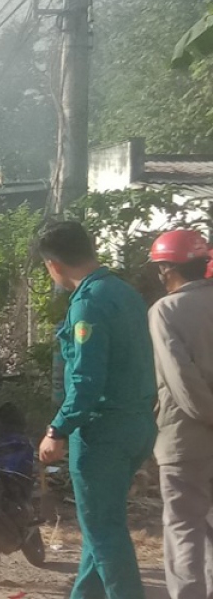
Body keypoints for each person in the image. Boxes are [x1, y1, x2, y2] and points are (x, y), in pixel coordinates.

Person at [35, 221, 156, 599]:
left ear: (53, 264)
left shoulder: (88, 303)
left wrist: (58, 430)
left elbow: (87, 380)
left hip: (103, 433)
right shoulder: (124, 292)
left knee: (104, 532)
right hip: (137, 425)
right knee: (100, 526)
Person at [146, 230, 213, 599]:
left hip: (185, 439)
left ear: (167, 268)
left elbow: (180, 378)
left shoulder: (164, 311)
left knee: (184, 527)